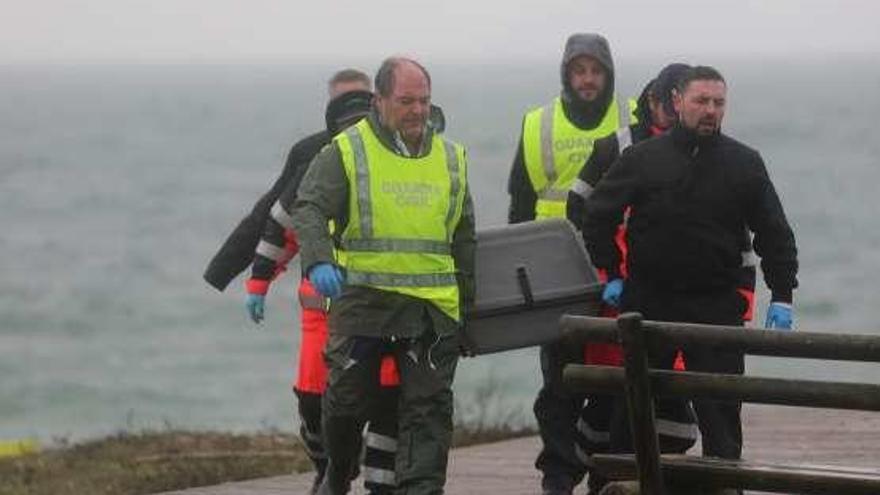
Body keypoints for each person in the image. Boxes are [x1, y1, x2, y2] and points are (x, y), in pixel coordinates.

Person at [581, 66, 798, 477]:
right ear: (677, 102)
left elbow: (775, 234)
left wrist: (782, 294)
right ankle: (622, 487)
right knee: (633, 419)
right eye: (701, 101)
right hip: (649, 302)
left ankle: (724, 486)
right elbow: (598, 214)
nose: (710, 111)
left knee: (721, 423)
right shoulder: (643, 159)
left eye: (718, 103)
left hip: (715, 307)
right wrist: (611, 272)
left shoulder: (744, 163)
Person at [205, 69, 400, 494]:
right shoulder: (312, 154)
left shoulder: (397, 155)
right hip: (321, 314)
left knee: (384, 407)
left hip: (381, 315)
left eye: (360, 102)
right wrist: (254, 278)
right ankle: (331, 469)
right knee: (315, 406)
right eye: (342, 105)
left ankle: (356, 477)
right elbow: (276, 217)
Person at [290, 57, 475, 495]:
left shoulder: (452, 158)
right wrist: (318, 261)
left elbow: (464, 239)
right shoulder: (347, 150)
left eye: (424, 101)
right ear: (380, 100)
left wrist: (468, 308)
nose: (417, 110)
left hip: (431, 311)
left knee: (427, 415)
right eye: (406, 101)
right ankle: (337, 474)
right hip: (364, 303)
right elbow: (309, 207)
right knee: (345, 407)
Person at [566, 63, 701, 494]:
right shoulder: (620, 146)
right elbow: (579, 204)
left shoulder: (700, 150)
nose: (673, 112)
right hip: (620, 292)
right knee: (610, 400)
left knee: (669, 411)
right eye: (669, 103)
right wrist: (609, 262)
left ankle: (636, 479)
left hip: (672, 297)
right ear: (657, 101)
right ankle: (603, 479)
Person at [506, 32, 624, 495]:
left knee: (615, 380)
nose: (588, 80)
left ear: (608, 74)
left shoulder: (628, 117)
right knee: (560, 383)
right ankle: (557, 475)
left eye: (596, 71)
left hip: (614, 271)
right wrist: (519, 273)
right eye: (579, 71)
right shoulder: (537, 124)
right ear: (566, 75)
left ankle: (604, 472)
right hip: (555, 274)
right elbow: (520, 203)